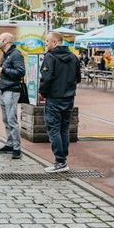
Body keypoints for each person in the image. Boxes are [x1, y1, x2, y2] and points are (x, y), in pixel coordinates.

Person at [39, 31, 82, 173]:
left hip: (54, 98)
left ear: (55, 42)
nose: (45, 43)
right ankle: (63, 160)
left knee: (54, 129)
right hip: (69, 98)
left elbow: (46, 78)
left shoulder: (50, 57)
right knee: (63, 129)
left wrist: (42, 93)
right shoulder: (73, 57)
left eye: (47, 41)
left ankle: (60, 161)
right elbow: (78, 78)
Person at [0, 32, 26, 159]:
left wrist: (3, 70)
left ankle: (17, 148)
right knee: (6, 119)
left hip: (11, 91)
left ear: (6, 41)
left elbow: (21, 72)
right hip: (4, 90)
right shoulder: (7, 54)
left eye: (0, 39)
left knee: (11, 120)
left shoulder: (15, 54)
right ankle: (10, 144)